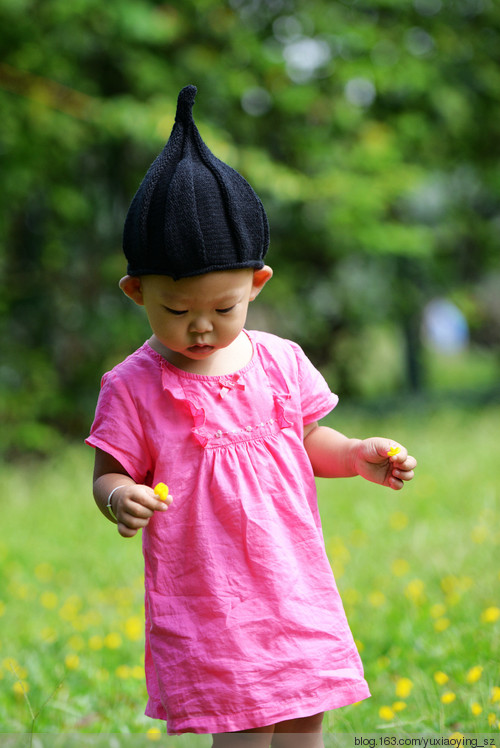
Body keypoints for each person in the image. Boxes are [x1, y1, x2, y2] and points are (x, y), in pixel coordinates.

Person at [86, 85, 417, 748]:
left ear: (257, 285)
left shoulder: (280, 362)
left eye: (224, 308)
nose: (202, 327)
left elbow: (309, 440)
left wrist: (355, 454)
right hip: (209, 599)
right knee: (239, 720)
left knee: (303, 710)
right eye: (177, 312)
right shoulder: (131, 385)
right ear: (137, 292)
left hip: (291, 582)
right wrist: (120, 496)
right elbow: (108, 471)